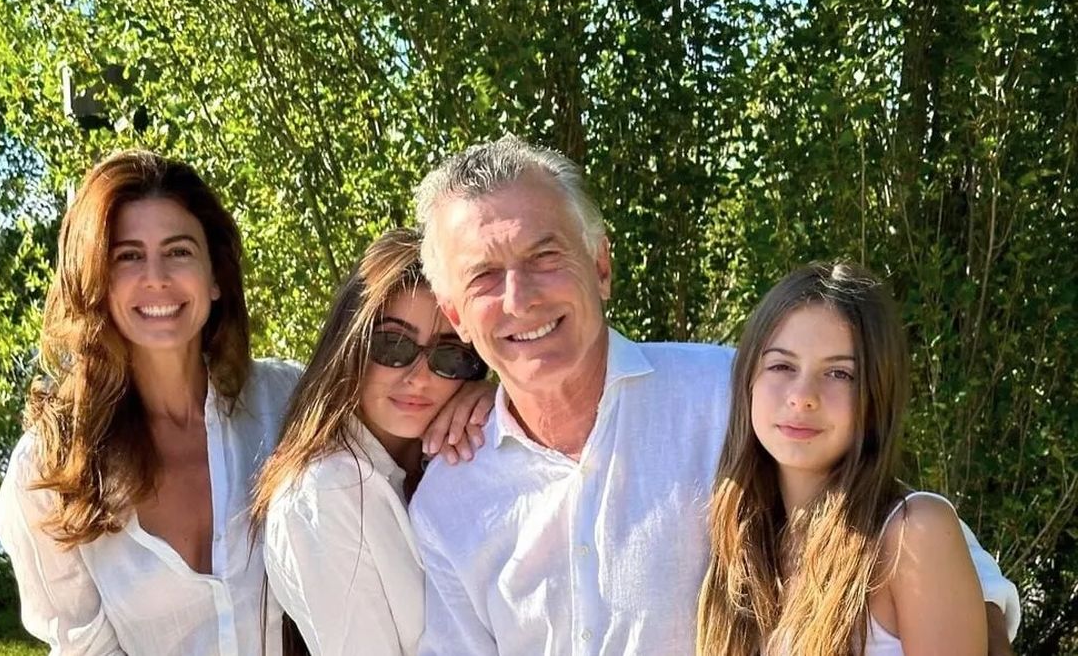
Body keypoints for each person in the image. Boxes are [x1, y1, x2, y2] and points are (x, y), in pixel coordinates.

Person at [407, 135, 1019, 655]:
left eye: (545, 256)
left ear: (601, 267)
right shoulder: (449, 501)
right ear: (457, 315)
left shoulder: (736, 395)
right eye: (484, 277)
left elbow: (916, 543)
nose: (520, 299)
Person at [0, 152, 486, 655]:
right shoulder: (49, 472)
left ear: (214, 277)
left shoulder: (286, 400)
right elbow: (84, 648)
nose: (156, 277)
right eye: (128, 256)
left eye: (179, 251)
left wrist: (486, 391)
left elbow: (396, 434)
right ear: (95, 279)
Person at [697, 263, 985, 654]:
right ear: (748, 381)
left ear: (876, 394)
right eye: (782, 366)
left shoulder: (912, 531)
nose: (802, 396)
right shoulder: (745, 547)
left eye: (839, 374)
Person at [253, 228, 490, 656]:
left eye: (451, 354)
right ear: (350, 345)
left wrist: (504, 404)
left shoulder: (456, 454)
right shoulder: (324, 494)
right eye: (393, 345)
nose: (420, 377)